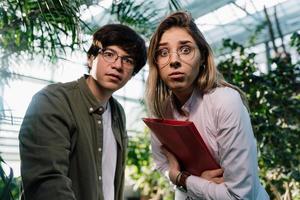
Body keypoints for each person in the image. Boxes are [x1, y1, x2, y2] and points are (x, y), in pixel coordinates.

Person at [145, 11, 269, 200]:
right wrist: (186, 179)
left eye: (185, 49)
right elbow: (164, 166)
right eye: (163, 52)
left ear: (202, 57)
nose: (174, 60)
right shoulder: (161, 111)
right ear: (156, 62)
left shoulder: (225, 101)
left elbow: (239, 196)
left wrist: (184, 179)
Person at [19, 24, 147, 200]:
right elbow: (48, 184)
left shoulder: (118, 112)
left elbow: (111, 181)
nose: (118, 65)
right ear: (90, 58)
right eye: (109, 54)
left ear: (133, 72)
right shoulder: (53, 100)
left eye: (128, 60)